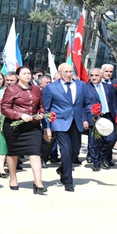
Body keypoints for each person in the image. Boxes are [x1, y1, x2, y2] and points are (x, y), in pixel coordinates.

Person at [0, 66, 47, 193]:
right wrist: (19, 115)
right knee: (13, 153)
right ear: (18, 76)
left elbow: (41, 106)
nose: (27, 75)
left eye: (29, 73)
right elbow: (4, 108)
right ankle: (13, 178)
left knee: (35, 152)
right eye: (24, 73)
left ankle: (38, 182)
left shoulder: (36, 89)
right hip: (14, 126)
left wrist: (40, 114)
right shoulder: (11, 89)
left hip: (33, 126)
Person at [42, 63, 87, 192]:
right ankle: (68, 181)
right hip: (59, 123)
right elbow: (46, 109)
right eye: (65, 72)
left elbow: (85, 104)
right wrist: (47, 127)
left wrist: (87, 117)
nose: (68, 74)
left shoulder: (81, 85)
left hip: (76, 123)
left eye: (70, 72)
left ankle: (62, 169)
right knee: (65, 150)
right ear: (59, 73)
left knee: (74, 152)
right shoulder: (51, 88)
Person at [85, 68, 117, 171]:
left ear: (101, 76)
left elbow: (114, 103)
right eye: (91, 75)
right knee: (94, 142)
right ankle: (96, 163)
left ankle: (102, 156)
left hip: (108, 117)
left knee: (111, 138)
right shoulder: (86, 88)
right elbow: (85, 105)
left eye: (96, 75)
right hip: (95, 118)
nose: (94, 77)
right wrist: (91, 115)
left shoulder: (110, 88)